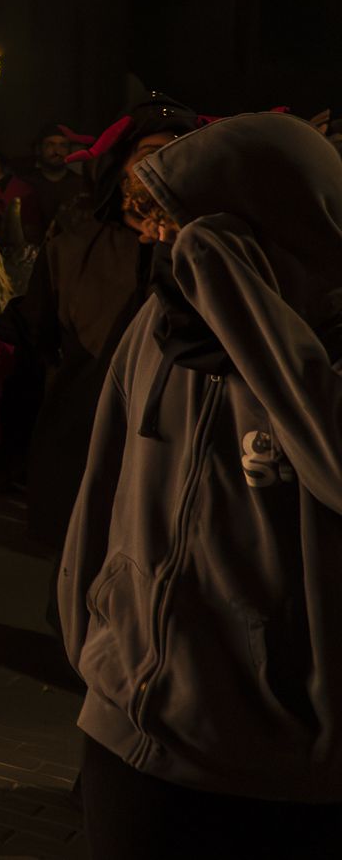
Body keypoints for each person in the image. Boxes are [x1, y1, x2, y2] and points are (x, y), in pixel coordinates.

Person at [60, 112, 342, 857]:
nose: (167, 246)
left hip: (274, 767)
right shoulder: (158, 328)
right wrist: (95, 647)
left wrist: (240, 305)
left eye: (191, 229)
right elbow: (100, 488)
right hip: (127, 730)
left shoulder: (323, 358)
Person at [0, 98, 204, 548]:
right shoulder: (74, 249)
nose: (161, 167)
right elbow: (22, 329)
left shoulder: (218, 252)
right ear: (123, 166)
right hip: (86, 450)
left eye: (176, 153)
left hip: (179, 463)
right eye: (148, 153)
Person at [26, 125, 88, 241]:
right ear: (39, 149)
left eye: (63, 145)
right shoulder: (25, 184)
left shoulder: (81, 185)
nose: (57, 151)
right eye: (50, 144)